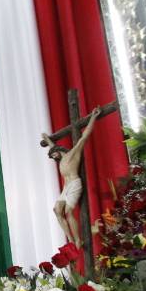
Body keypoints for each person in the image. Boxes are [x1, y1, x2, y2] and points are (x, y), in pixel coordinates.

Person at [44, 106, 100, 247]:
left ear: (58, 151)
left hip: (75, 183)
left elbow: (84, 136)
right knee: (57, 210)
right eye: (51, 156)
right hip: (66, 187)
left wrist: (93, 117)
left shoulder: (73, 154)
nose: (52, 156)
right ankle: (69, 237)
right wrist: (46, 138)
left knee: (68, 212)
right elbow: (52, 147)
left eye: (53, 154)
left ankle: (77, 240)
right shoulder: (61, 161)